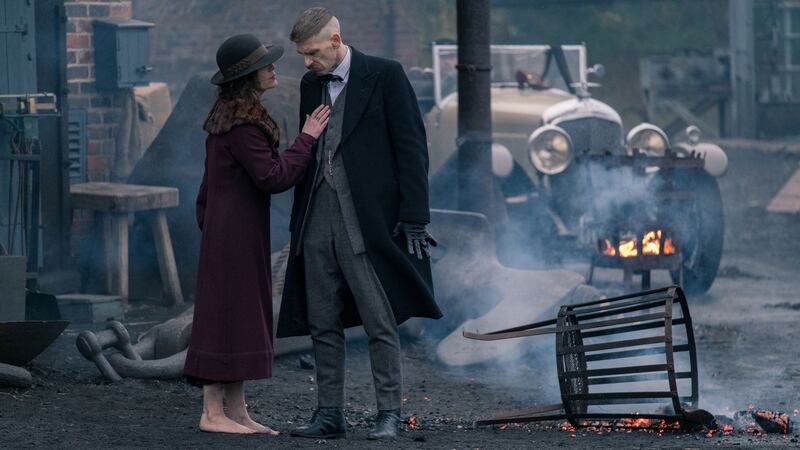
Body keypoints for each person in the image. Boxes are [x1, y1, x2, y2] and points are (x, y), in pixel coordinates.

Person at [277, 7, 442, 440]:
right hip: (316, 217)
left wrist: (414, 217)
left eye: (311, 53)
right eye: (302, 55)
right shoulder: (312, 84)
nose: (306, 63)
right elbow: (315, 149)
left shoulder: (385, 75)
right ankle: (329, 413)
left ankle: (388, 412)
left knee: (379, 319)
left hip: (367, 220)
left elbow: (412, 149)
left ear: (335, 41)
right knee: (321, 319)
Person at [183, 33, 330, 435]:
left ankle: (237, 410)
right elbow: (272, 176)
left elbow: (207, 188)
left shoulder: (229, 117)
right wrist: (307, 139)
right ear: (247, 76)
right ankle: (212, 414)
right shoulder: (243, 125)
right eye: (264, 65)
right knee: (223, 317)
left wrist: (213, 224)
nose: (272, 68)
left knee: (241, 316)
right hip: (233, 235)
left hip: (231, 231)